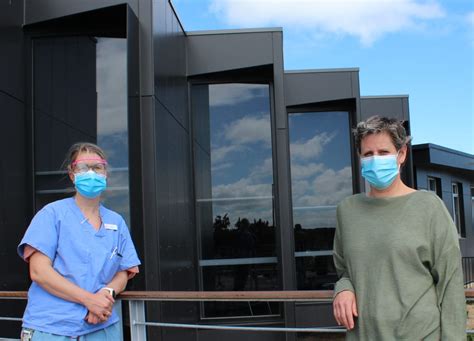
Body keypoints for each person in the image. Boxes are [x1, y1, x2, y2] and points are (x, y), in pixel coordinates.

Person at [332, 116, 466, 340]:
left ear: (401, 154)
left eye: (383, 153)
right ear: (360, 157)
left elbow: (450, 284)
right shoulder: (347, 210)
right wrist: (343, 288)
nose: (375, 160)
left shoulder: (429, 207)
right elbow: (345, 270)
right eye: (368, 154)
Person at [17, 142, 141, 340]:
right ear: (72, 174)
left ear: (105, 173)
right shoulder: (52, 215)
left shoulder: (116, 222)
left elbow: (125, 271)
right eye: (84, 167)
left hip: (102, 327)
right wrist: (89, 300)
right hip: (52, 328)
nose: (91, 173)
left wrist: (106, 294)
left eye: (97, 167)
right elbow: (39, 271)